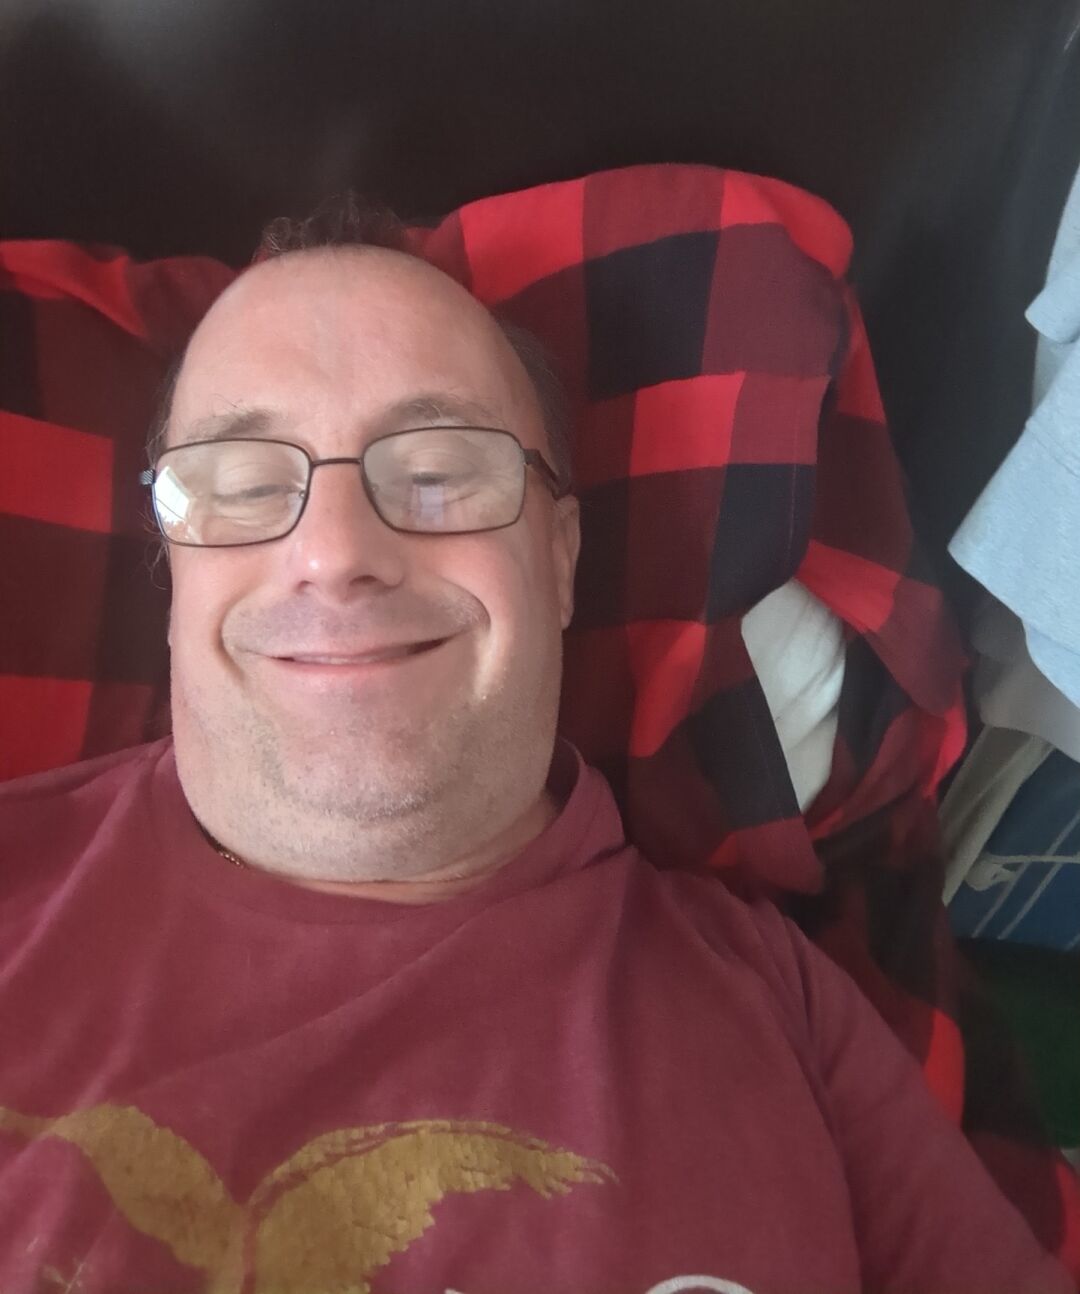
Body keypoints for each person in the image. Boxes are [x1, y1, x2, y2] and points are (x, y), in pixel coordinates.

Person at [0, 213, 1070, 1294]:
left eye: (437, 470)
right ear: (170, 567)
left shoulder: (785, 1011)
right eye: (240, 486)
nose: (332, 552)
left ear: (558, 558)